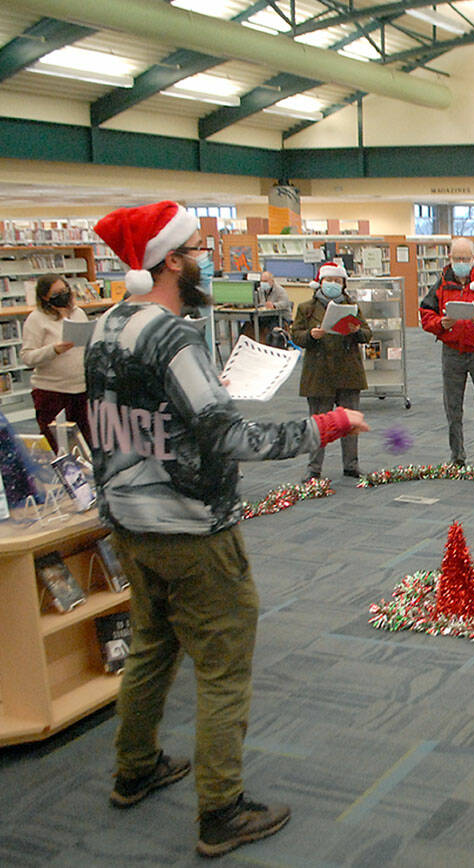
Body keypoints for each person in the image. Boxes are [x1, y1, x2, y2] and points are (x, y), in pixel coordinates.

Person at [87, 201, 368, 857]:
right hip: (190, 531)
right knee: (222, 668)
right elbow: (228, 437)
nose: (207, 262)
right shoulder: (173, 338)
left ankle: (135, 768)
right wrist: (328, 426)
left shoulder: (107, 326)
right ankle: (220, 810)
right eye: (198, 251)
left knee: (153, 647)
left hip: (128, 524)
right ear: (173, 260)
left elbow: (135, 420)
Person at [419, 237, 474, 468]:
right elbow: (426, 314)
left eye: (465, 259)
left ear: (473, 258)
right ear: (450, 258)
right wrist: (441, 324)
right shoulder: (441, 283)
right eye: (457, 258)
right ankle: (457, 457)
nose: (461, 262)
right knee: (453, 408)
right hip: (452, 352)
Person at [290, 262, 371, 482]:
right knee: (318, 423)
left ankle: (351, 465)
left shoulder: (352, 306)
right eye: (329, 281)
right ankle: (314, 468)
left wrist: (356, 331)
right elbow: (295, 335)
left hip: (348, 372)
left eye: (338, 281)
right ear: (320, 282)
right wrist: (310, 335)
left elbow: (367, 334)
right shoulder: (306, 308)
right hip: (319, 373)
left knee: (350, 422)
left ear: (344, 284)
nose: (333, 285)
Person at [20, 273, 91, 451]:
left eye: (65, 290)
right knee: (59, 446)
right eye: (57, 292)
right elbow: (27, 357)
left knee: (86, 443)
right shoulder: (36, 319)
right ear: (45, 297)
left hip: (81, 390)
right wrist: (53, 350)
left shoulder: (79, 313)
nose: (64, 294)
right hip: (53, 392)